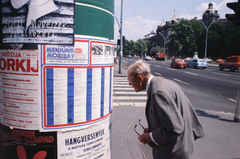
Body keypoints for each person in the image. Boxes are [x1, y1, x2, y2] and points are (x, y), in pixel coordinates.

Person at [127, 60, 205, 159]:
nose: (129, 84)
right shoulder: (164, 83)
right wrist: (152, 129)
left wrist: (150, 137)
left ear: (140, 78)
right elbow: (172, 116)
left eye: (129, 79)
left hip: (173, 152)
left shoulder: (157, 92)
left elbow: (175, 128)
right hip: (182, 145)